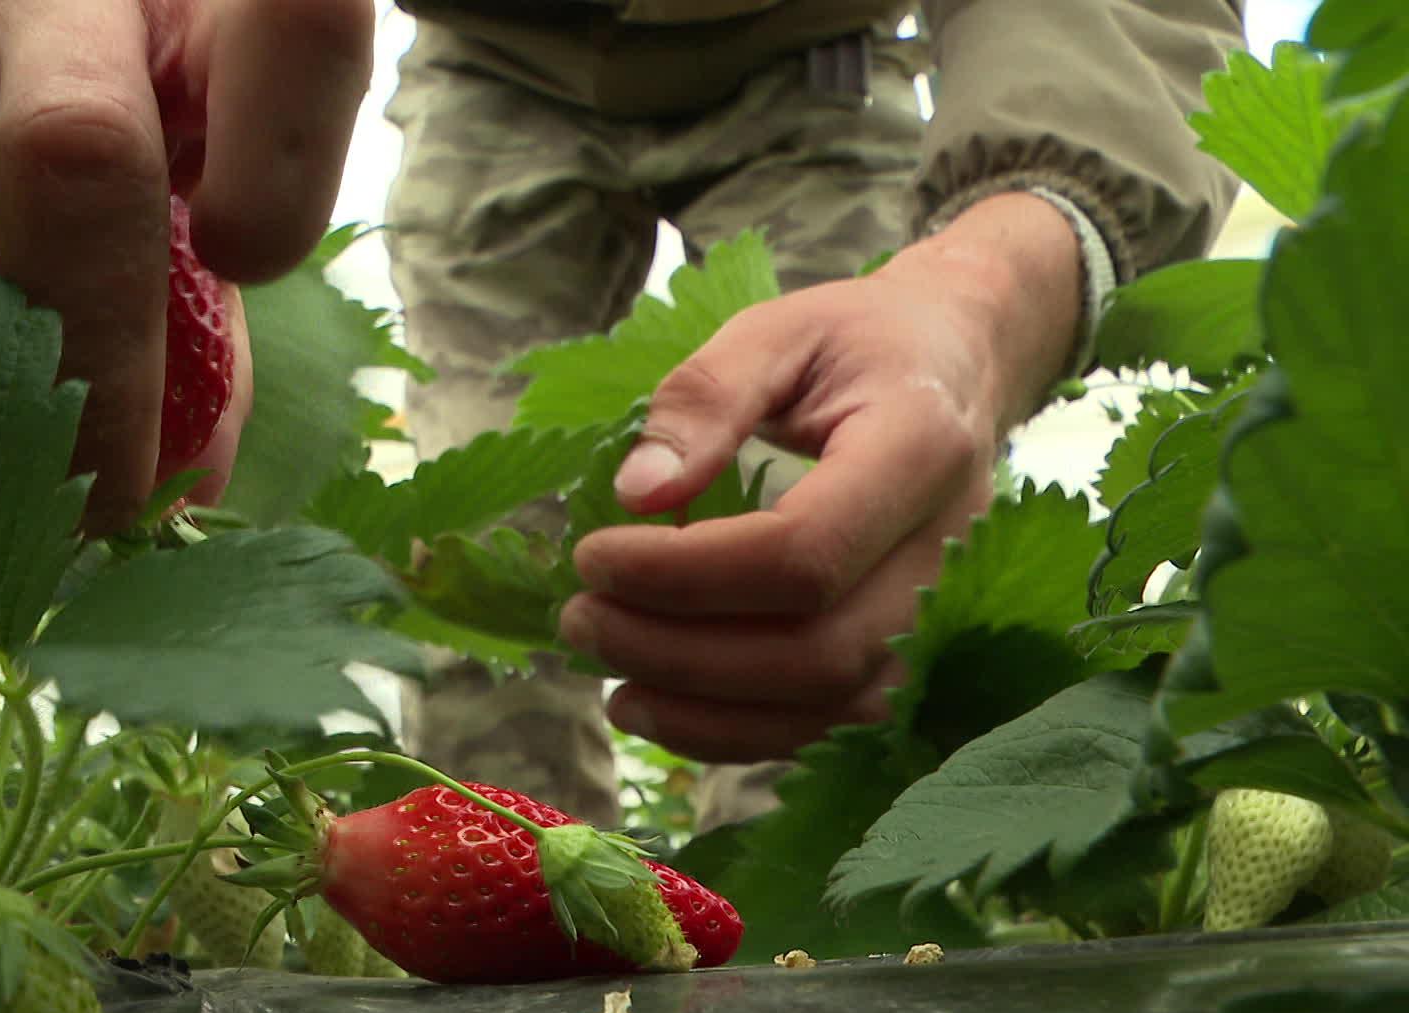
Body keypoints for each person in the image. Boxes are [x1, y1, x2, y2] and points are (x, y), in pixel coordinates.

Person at [0, 0, 1242, 828]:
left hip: (818, 37)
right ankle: (522, 895)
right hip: (488, 49)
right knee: (471, 517)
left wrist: (997, 273)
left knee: (817, 506)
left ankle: (817, 909)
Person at [384, 0, 1244, 829]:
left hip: (818, 50)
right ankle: (520, 933)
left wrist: (989, 295)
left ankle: (808, 940)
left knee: (839, 571)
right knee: (480, 578)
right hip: (487, 45)